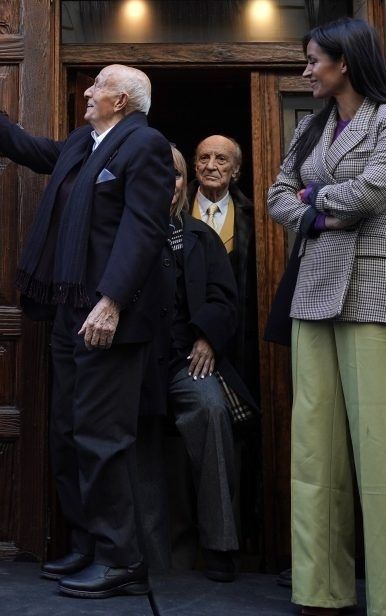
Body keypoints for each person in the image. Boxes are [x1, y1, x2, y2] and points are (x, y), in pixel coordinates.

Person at [0, 63, 172, 600]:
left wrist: (112, 302)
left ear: (121, 101)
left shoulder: (146, 145)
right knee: (69, 433)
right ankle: (88, 545)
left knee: (102, 437)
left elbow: (144, 229)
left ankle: (122, 560)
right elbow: (30, 149)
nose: (88, 91)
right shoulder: (84, 141)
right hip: (70, 308)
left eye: (97, 85)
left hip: (107, 316)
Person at [265, 17, 386, 616]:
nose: (306, 71)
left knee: (382, 455)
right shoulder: (309, 128)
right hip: (312, 293)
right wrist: (320, 208)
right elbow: (278, 195)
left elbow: (372, 195)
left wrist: (313, 203)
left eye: (312, 60)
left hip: (374, 293)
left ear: (344, 64)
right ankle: (319, 591)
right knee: (314, 452)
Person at [141, 143, 252, 581]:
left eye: (176, 175)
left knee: (211, 410)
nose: (169, 183)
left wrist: (207, 337)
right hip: (135, 365)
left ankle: (220, 545)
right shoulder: (122, 230)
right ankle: (145, 553)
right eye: (160, 174)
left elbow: (226, 300)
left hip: (188, 363)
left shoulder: (198, 236)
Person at [190, 135, 258, 403]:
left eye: (221, 159)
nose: (211, 166)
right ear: (194, 166)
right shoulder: (174, 209)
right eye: (204, 158)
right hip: (185, 333)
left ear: (236, 170)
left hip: (237, 333)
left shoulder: (252, 217)